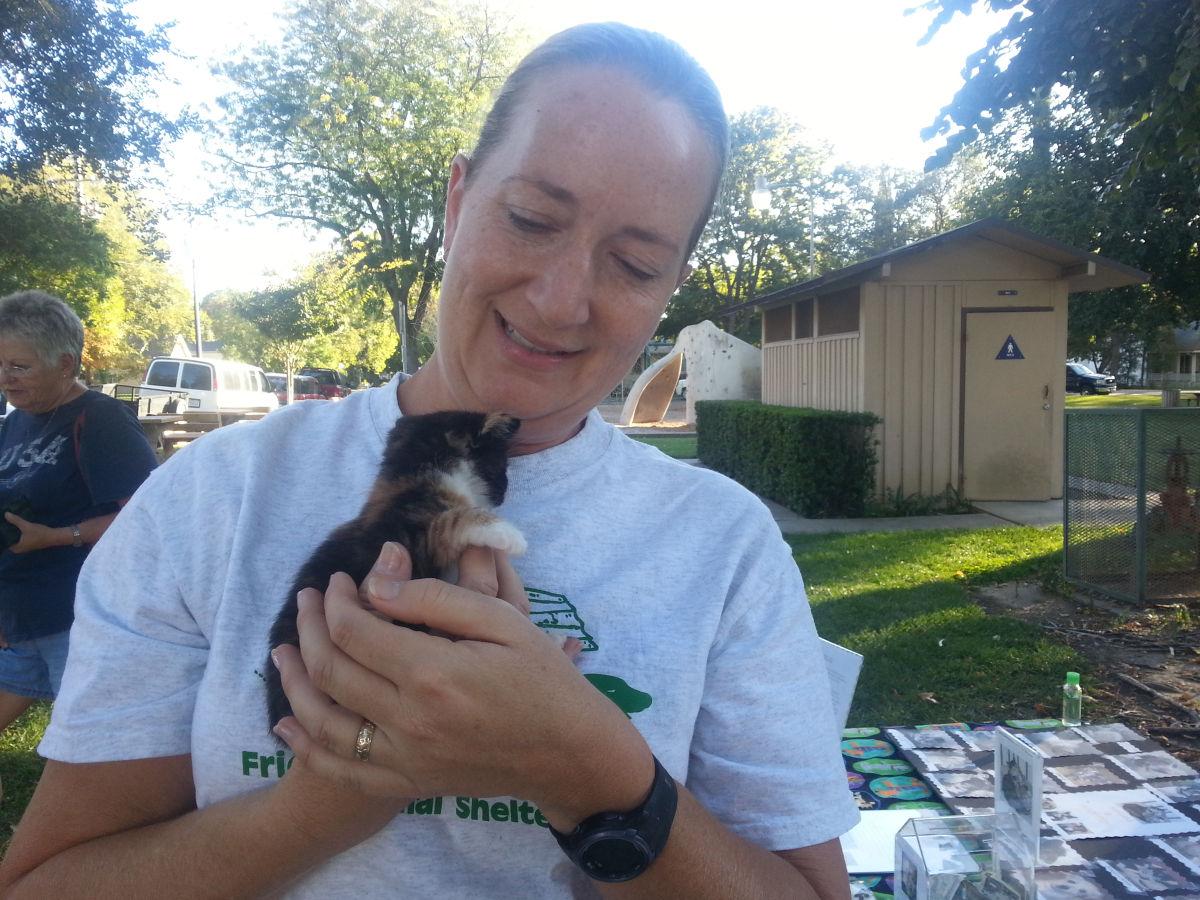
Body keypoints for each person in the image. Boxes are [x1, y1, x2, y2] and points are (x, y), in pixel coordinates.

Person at [0, 23, 858, 898]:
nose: (562, 301)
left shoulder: (725, 547)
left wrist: (593, 773)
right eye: (530, 219)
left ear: (671, 284)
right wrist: (326, 804)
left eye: (634, 264)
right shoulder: (213, 498)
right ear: (455, 202)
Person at [0, 290, 158, 734]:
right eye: (0, 365)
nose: (5, 379)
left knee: (93, 742)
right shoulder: (14, 423)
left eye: (20, 366)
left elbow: (145, 521)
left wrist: (54, 536)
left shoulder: (101, 420)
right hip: (21, 616)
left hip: (79, 621)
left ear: (65, 365)